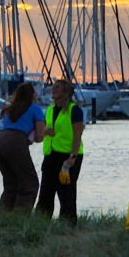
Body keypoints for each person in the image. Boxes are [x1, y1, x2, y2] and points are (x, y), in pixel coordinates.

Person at [0, 83, 46, 213]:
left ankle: (4, 218)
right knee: (30, 184)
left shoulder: (11, 109)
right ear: (33, 94)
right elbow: (39, 136)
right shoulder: (35, 109)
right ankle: (19, 218)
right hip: (16, 142)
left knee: (11, 184)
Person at [36, 80, 85, 223]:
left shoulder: (74, 110)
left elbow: (78, 134)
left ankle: (68, 223)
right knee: (46, 190)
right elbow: (44, 130)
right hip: (51, 154)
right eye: (53, 86)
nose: (53, 89)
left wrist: (73, 156)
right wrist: (45, 131)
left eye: (57, 86)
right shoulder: (50, 110)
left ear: (65, 91)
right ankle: (41, 222)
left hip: (68, 156)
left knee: (66, 191)